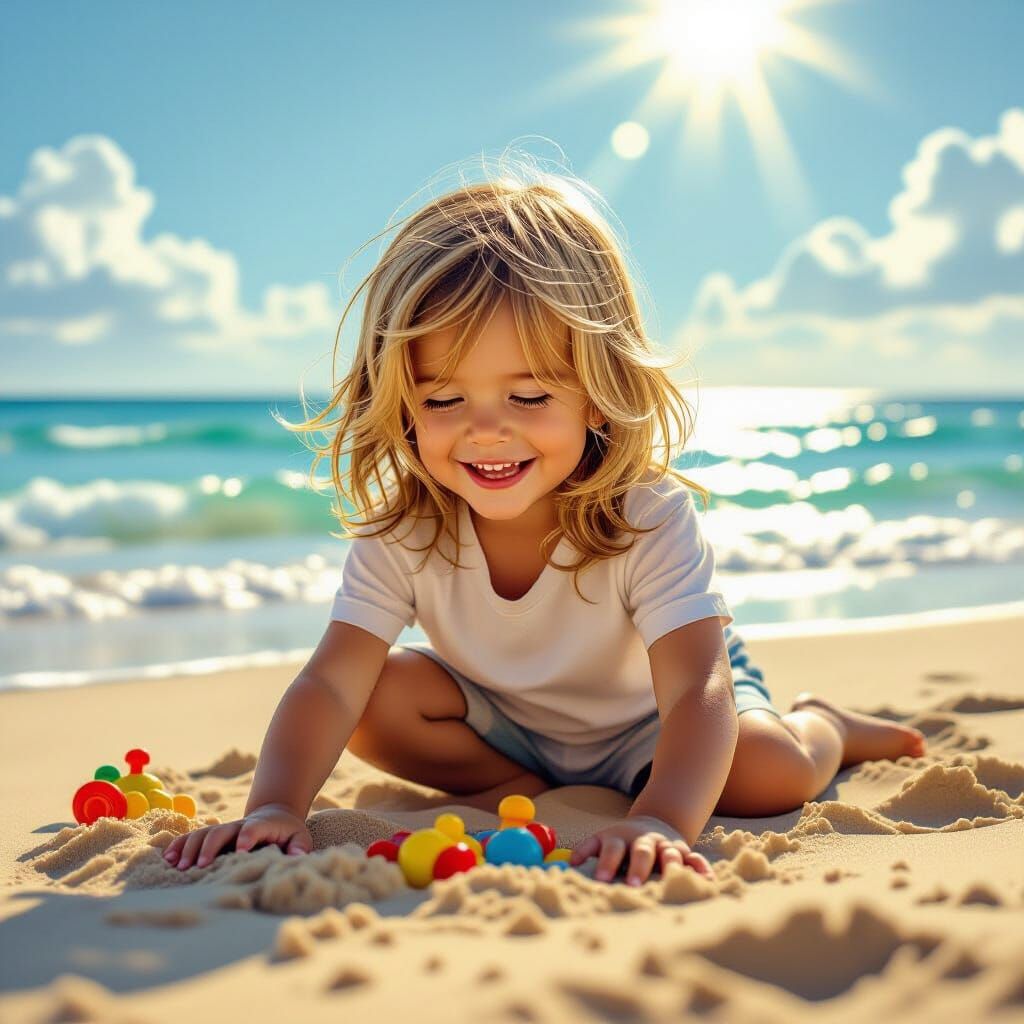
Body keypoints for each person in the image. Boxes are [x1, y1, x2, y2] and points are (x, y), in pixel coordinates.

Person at [163, 163, 926, 886]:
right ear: (400, 402)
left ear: (597, 395)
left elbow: (698, 685)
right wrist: (274, 807)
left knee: (765, 773)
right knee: (374, 702)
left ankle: (825, 724)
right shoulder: (404, 530)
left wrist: (660, 818)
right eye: (443, 400)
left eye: (528, 398)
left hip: (654, 718)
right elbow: (330, 682)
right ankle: (538, 790)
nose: (486, 431)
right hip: (510, 730)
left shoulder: (644, 514)